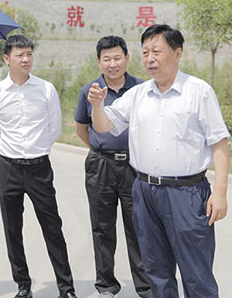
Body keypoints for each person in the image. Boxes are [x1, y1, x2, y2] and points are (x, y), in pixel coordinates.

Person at [88, 24, 230, 298]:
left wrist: (220, 193)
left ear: (177, 53)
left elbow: (219, 142)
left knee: (196, 272)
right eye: (145, 52)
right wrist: (97, 106)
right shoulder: (138, 94)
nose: (150, 59)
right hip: (144, 191)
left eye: (157, 51)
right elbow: (104, 126)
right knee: (156, 271)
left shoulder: (198, 91)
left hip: (186, 193)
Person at [0, 34, 77, 298]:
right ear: (7, 59)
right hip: (9, 168)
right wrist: (14, 152)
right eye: (19, 55)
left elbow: (54, 128)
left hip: (39, 168)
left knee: (52, 227)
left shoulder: (46, 89)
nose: (26, 59)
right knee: (12, 229)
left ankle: (66, 288)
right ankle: (23, 285)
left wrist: (36, 150)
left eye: (29, 54)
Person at [74, 36, 152, 298]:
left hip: (134, 166)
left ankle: (145, 287)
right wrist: (101, 149)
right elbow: (82, 129)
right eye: (106, 59)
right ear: (99, 61)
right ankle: (106, 286)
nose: (112, 64)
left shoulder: (142, 89)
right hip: (101, 166)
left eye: (117, 57)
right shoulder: (90, 91)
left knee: (138, 227)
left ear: (127, 58)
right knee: (102, 228)